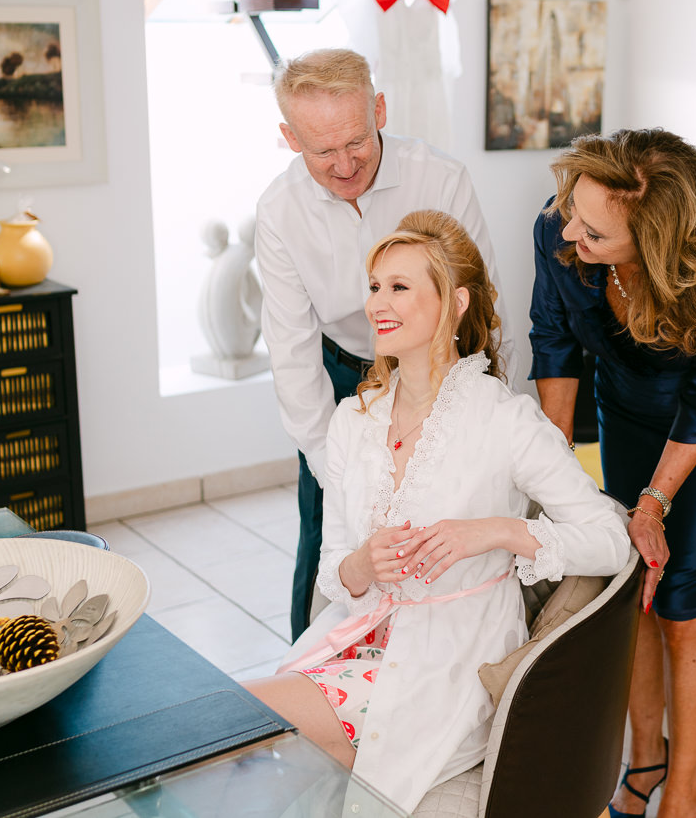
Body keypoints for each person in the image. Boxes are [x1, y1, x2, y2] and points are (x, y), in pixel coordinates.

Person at [245, 210, 630, 813]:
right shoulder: (354, 421)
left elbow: (610, 539)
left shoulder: (504, 420)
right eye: (374, 286)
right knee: (247, 743)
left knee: (245, 726)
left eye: (399, 287)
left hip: (450, 661)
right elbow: (332, 575)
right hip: (361, 638)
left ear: (454, 303)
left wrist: (496, 532)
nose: (377, 303)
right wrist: (363, 565)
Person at [528, 128, 696, 818]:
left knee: (683, 600)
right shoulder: (560, 226)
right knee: (633, 584)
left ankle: (684, 797)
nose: (569, 230)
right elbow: (554, 341)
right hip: (626, 408)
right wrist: (554, 478)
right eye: (571, 208)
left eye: (595, 231)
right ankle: (644, 765)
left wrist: (655, 500)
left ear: (655, 238)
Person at [254, 48, 511, 641]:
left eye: (357, 142)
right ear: (290, 138)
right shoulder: (278, 210)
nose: (344, 166)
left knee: (445, 516)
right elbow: (292, 351)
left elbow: (482, 310)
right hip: (344, 375)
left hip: (442, 367)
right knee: (329, 533)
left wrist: (484, 409)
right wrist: (334, 469)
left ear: (380, 110)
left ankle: (436, 652)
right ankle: (314, 667)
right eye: (322, 151)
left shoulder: (441, 179)